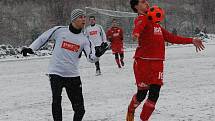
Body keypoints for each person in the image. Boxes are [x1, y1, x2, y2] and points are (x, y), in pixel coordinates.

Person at [21, 9, 108, 121]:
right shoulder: (59, 30)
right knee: (56, 101)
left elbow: (91, 58)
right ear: (73, 19)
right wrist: (31, 48)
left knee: (80, 110)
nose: (84, 20)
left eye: (84, 17)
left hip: (72, 75)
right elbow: (43, 38)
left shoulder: (85, 39)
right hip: (56, 72)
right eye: (81, 17)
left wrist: (98, 53)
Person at [126, 1, 205, 121]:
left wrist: (191, 40)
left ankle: (144, 119)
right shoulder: (141, 19)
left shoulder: (156, 25)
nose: (146, 3)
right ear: (136, 6)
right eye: (142, 2)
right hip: (143, 62)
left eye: (146, 1)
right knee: (142, 94)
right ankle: (131, 109)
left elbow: (171, 37)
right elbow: (139, 25)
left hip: (158, 64)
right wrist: (136, 33)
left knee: (155, 93)